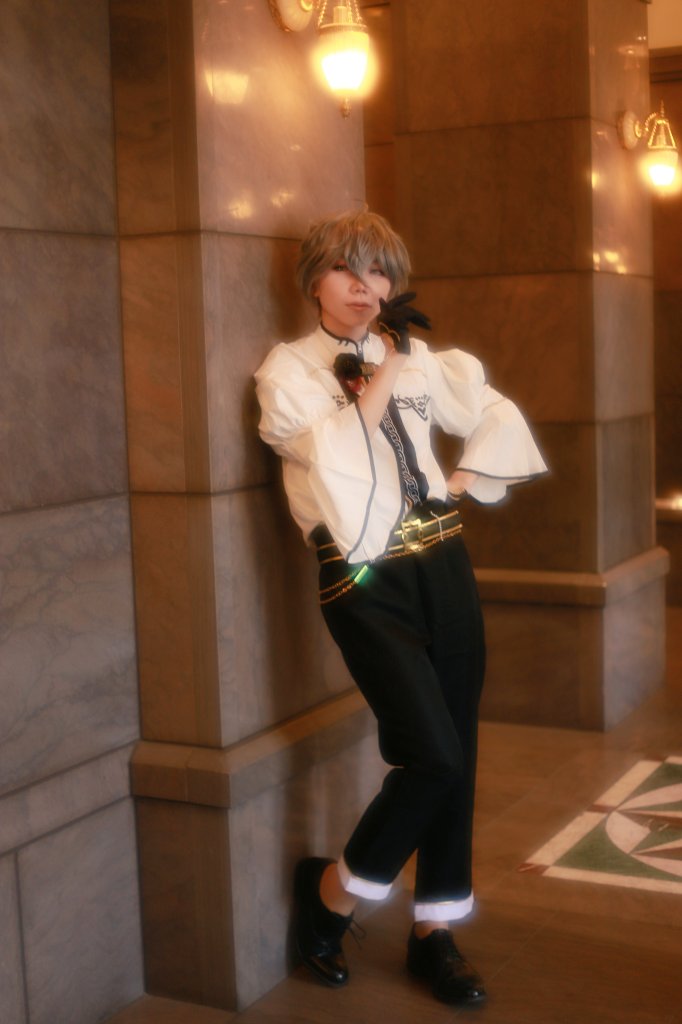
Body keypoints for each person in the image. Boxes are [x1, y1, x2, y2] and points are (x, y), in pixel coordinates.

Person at [255, 209, 547, 1006]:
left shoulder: (417, 361)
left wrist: (466, 479)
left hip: (442, 560)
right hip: (364, 577)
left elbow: (493, 412)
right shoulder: (288, 372)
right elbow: (336, 460)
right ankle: (331, 897)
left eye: (379, 272)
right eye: (346, 270)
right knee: (432, 754)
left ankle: (434, 932)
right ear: (313, 279)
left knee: (461, 751)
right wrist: (389, 365)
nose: (365, 287)